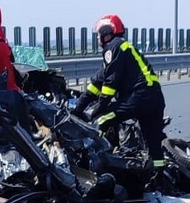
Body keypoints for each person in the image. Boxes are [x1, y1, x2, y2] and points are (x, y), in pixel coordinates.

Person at [70, 14, 166, 166]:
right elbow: (96, 84)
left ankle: (96, 164)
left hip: (138, 97)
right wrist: (78, 108)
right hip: (154, 98)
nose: (97, 38)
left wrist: (96, 110)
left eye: (98, 34)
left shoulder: (113, 48)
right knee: (153, 143)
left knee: (100, 122)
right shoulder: (122, 48)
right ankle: (159, 178)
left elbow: (109, 85)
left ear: (106, 33)